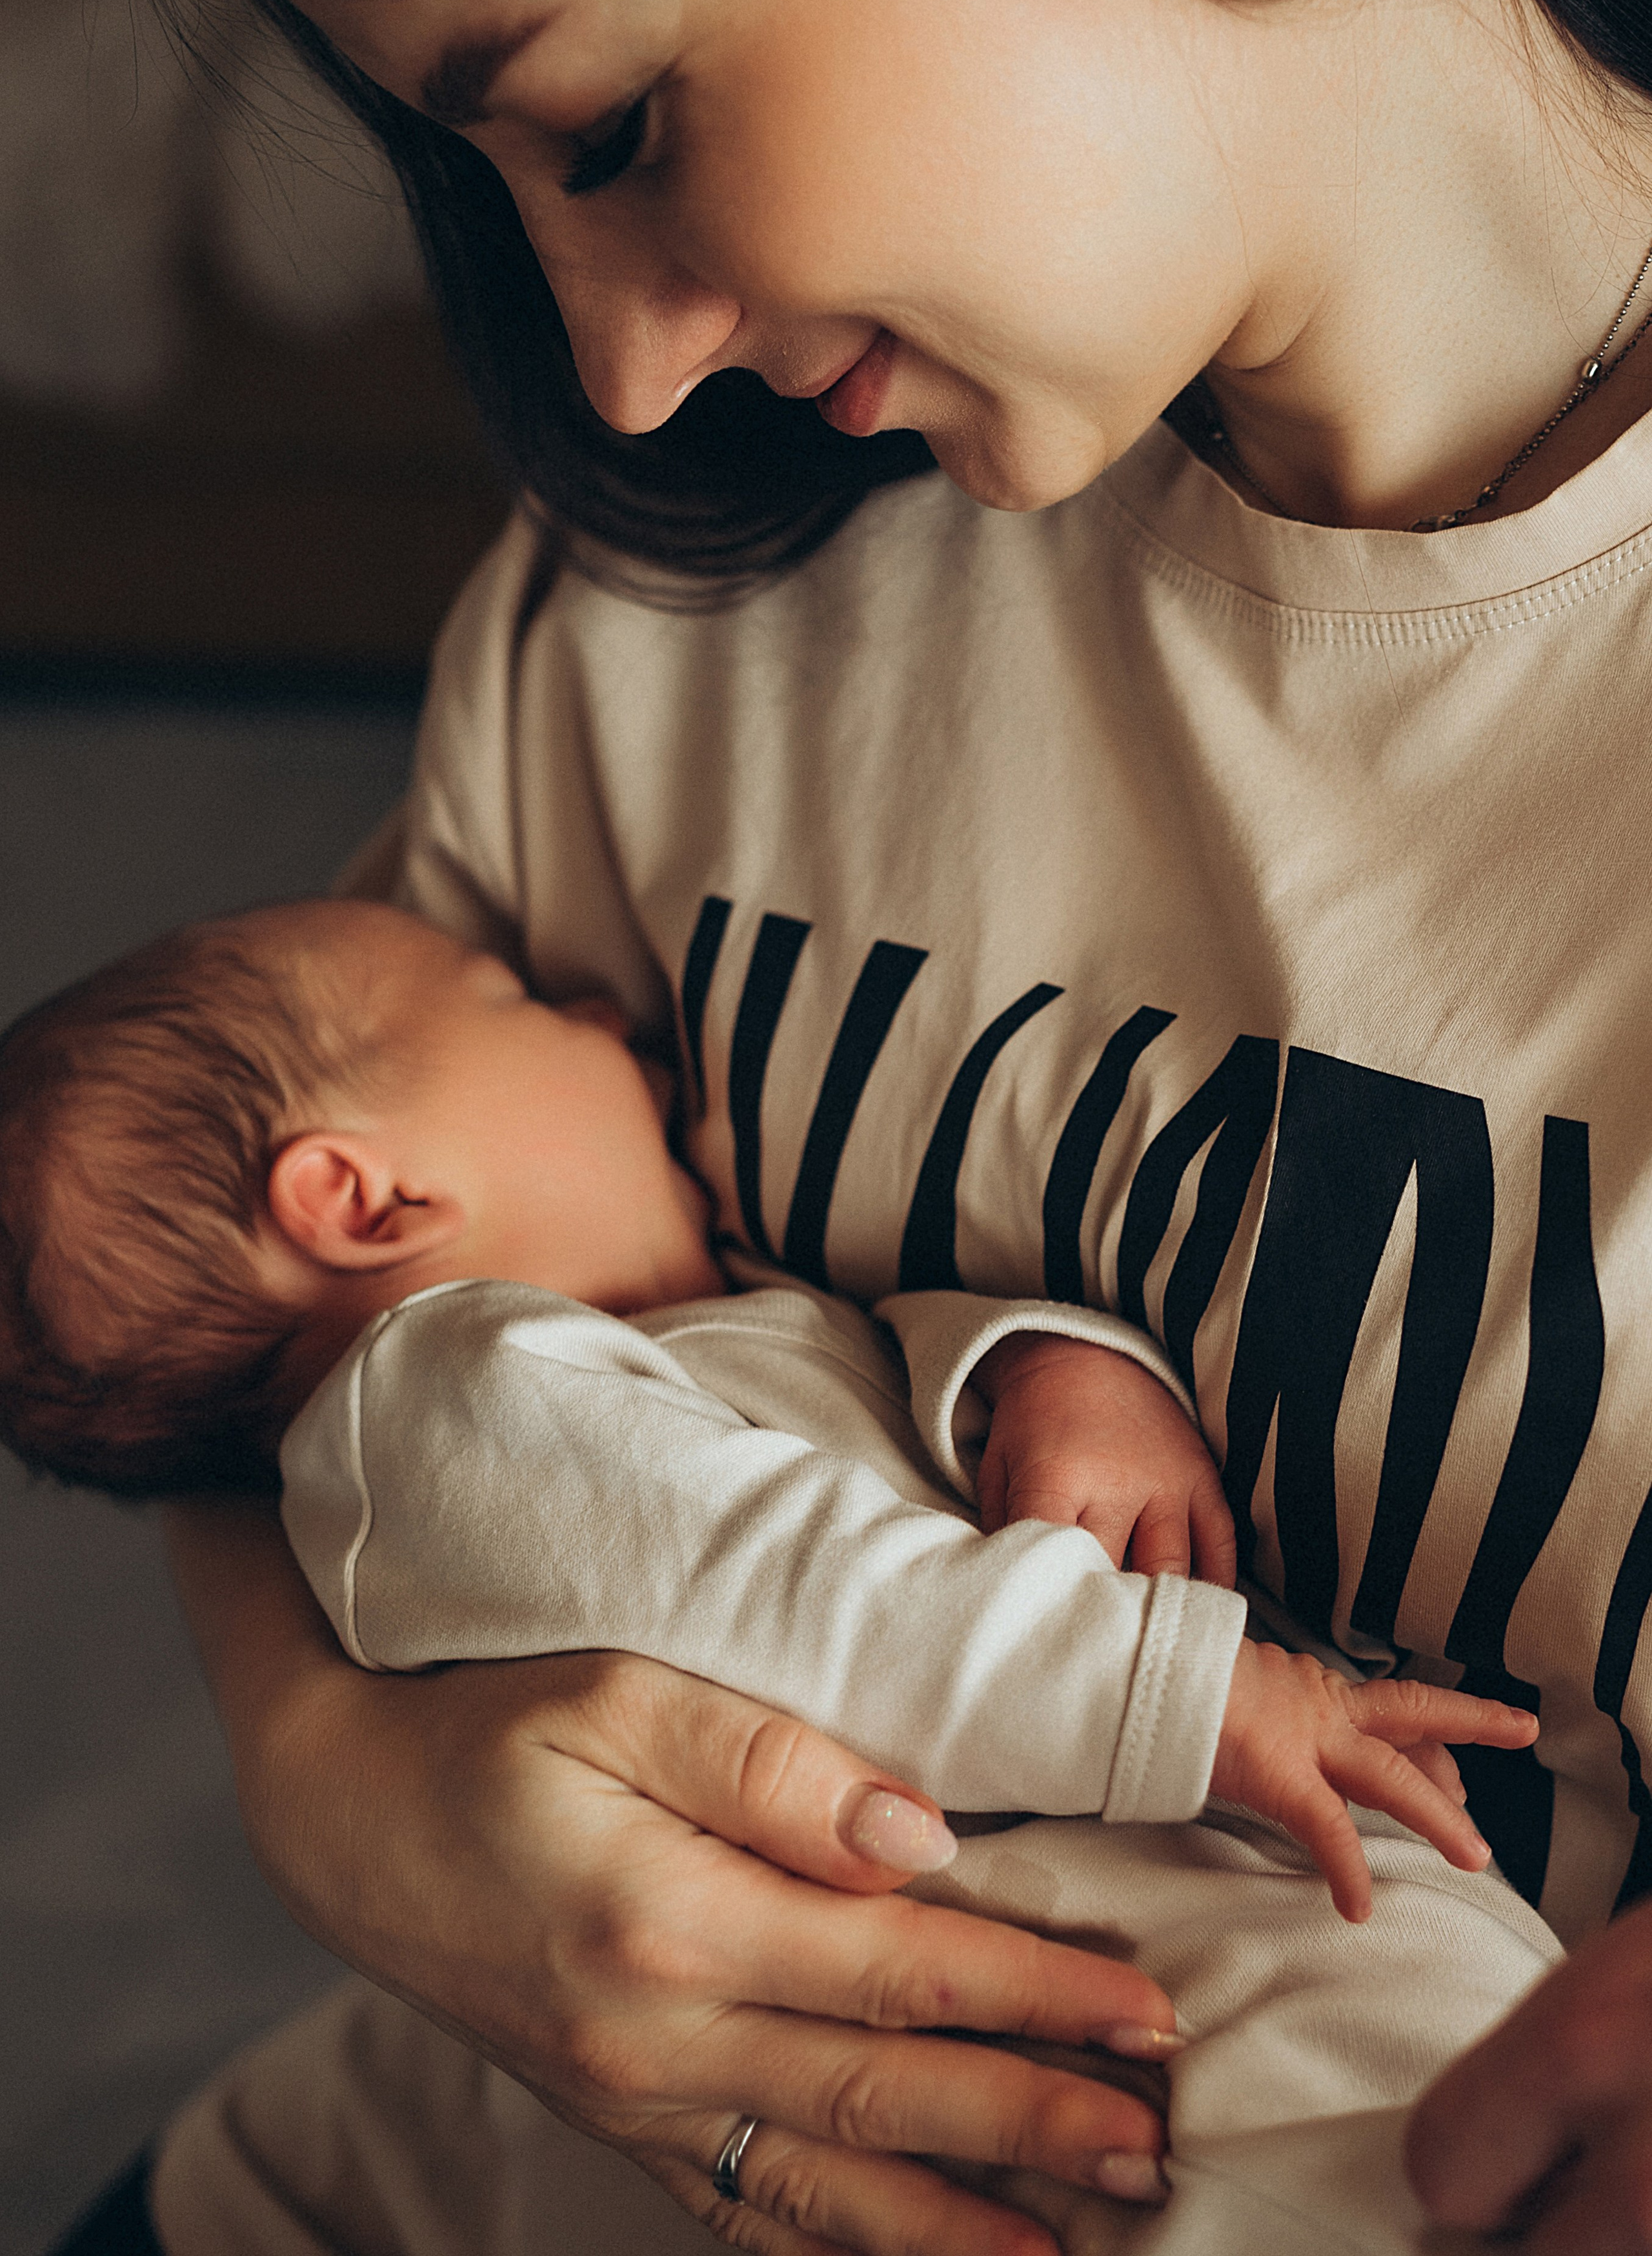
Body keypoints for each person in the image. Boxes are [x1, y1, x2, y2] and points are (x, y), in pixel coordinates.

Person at [50, 0, 1652, 2248]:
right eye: (498, 184)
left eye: (610, 125)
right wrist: (347, 1797)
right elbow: (186, 1305)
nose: (618, 366)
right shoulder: (668, 616)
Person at [1, 893, 1553, 2253]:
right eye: (519, 1001)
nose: (602, 1008)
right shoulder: (439, 1404)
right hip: (1125, 2014)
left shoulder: (577, 1390)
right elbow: (818, 1597)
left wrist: (1045, 1365)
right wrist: (1187, 1690)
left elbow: (838, 1422)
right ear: (364, 1199)